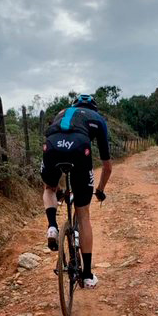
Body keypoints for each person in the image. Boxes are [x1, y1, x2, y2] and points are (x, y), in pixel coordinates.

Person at [40, 94, 112, 288]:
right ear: (93, 109)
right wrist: (100, 189)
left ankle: (52, 226)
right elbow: (107, 167)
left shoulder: (61, 113)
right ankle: (87, 276)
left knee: (49, 188)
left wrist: (58, 187)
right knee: (83, 215)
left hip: (52, 145)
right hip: (81, 148)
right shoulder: (97, 119)